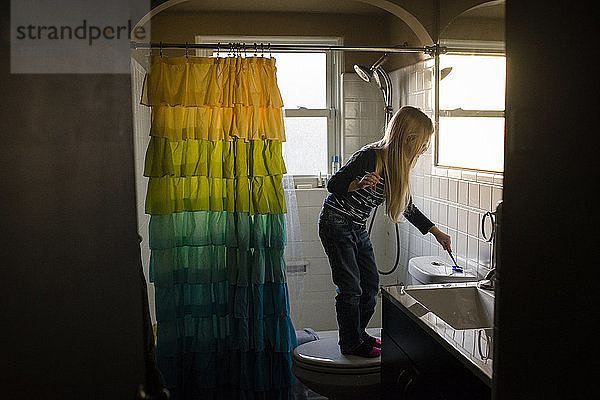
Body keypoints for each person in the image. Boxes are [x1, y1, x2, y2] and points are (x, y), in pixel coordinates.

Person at [318, 106, 451, 358]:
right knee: (350, 288)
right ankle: (350, 343)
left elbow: (406, 207)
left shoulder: (396, 165)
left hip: (356, 226)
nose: (426, 147)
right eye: (424, 141)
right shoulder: (372, 156)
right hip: (335, 223)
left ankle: (358, 334)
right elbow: (332, 185)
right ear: (410, 138)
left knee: (370, 286)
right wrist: (357, 184)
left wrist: (436, 232)